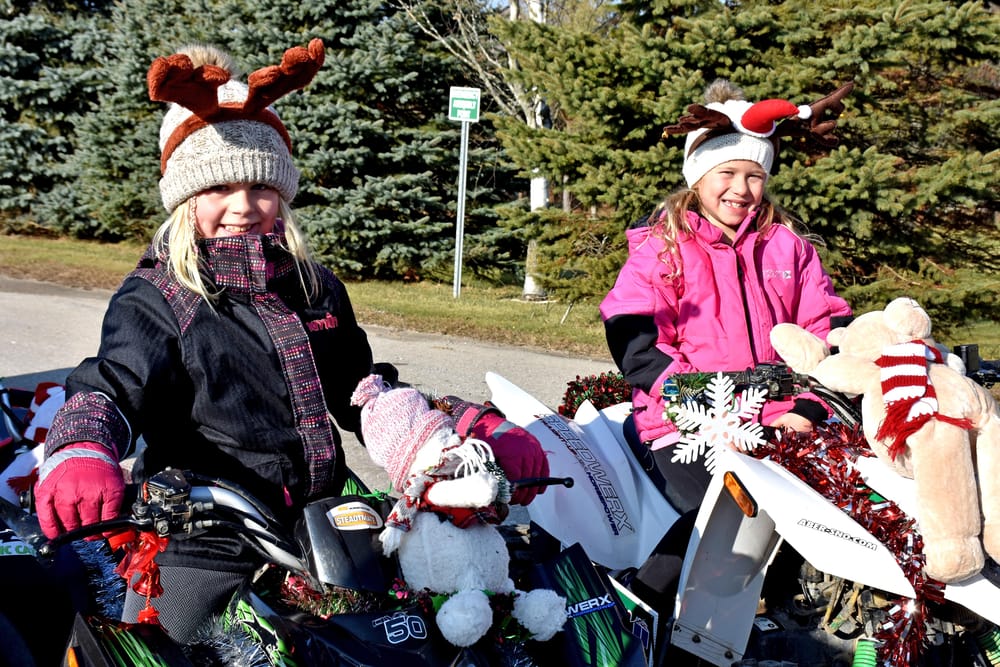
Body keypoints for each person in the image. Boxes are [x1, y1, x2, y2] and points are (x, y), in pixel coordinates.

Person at [32, 39, 546, 644]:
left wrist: (462, 433)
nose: (243, 207)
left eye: (261, 188)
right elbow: (114, 385)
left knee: (388, 640)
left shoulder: (313, 285)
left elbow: (363, 389)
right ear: (183, 199)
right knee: (164, 645)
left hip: (323, 522)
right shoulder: (158, 296)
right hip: (205, 532)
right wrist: (83, 450)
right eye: (218, 190)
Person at [600, 79, 855, 516]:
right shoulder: (665, 247)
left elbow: (825, 330)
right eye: (728, 173)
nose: (741, 188)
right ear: (698, 177)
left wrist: (808, 409)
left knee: (844, 506)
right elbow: (636, 341)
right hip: (687, 425)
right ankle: (651, 586)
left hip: (782, 418)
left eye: (755, 176)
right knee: (724, 522)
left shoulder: (788, 246)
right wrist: (708, 411)